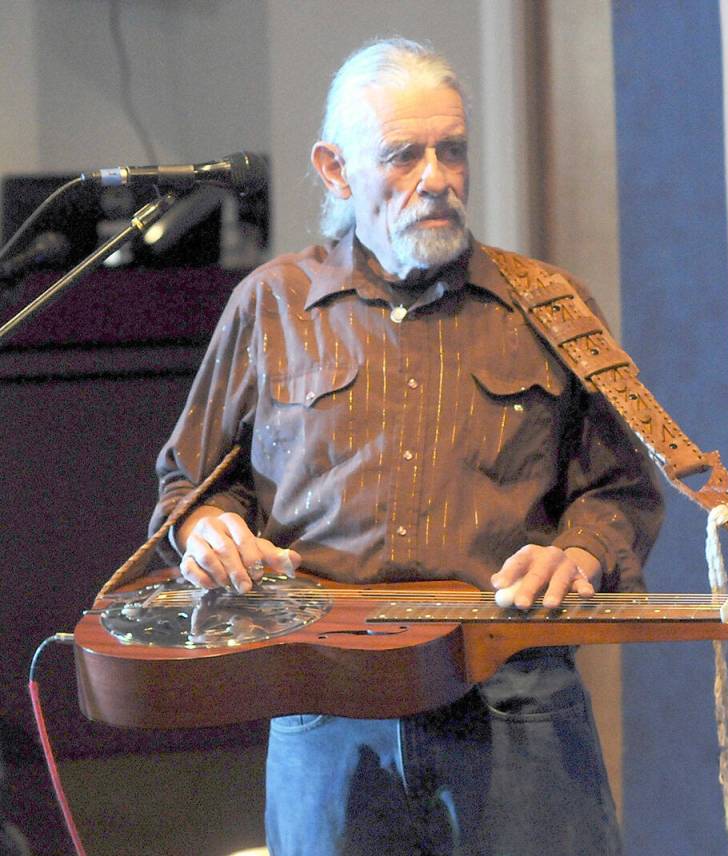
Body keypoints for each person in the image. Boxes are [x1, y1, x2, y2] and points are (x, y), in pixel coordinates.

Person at [151, 37, 663, 856]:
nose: (437, 178)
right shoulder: (273, 307)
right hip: (326, 705)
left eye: (452, 151)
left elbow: (620, 492)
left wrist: (582, 552)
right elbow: (191, 484)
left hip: (515, 702)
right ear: (335, 169)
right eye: (402, 155)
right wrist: (208, 529)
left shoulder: (549, 306)